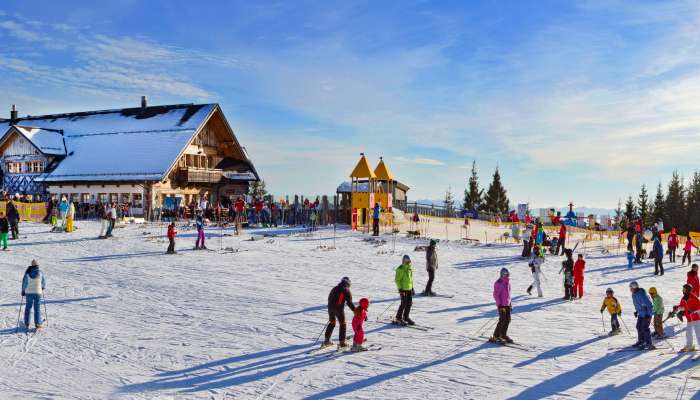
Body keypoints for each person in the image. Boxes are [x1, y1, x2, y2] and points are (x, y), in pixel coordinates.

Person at [323, 277, 355, 348]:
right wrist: (355, 310)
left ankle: (326, 340)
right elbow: (349, 303)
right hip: (338, 309)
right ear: (348, 283)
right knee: (343, 324)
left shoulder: (334, 288)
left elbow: (329, 298)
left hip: (330, 308)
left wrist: (331, 308)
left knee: (332, 323)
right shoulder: (346, 290)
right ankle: (342, 343)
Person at [21, 260, 46, 330]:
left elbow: (24, 283)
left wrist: (23, 290)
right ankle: (38, 324)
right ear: (38, 266)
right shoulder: (40, 273)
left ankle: (27, 323)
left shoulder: (27, 273)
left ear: (32, 265)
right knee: (37, 308)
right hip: (38, 292)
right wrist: (43, 287)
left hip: (29, 293)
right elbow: (44, 282)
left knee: (28, 307)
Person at [490, 268, 513, 344]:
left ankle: (503, 334)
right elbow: (496, 295)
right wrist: (500, 305)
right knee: (502, 320)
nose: (508, 276)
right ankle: (496, 336)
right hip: (501, 305)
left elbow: (508, 295)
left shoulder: (508, 283)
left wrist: (510, 303)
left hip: (507, 304)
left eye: (508, 274)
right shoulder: (498, 283)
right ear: (503, 274)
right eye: (507, 274)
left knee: (508, 320)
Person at [675, 283, 700, 352]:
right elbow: (682, 307)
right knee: (688, 333)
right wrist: (676, 308)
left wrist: (692, 311)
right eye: (683, 289)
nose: (683, 290)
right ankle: (690, 346)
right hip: (689, 318)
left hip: (696, 318)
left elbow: (699, 307)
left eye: (684, 289)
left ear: (688, 290)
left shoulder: (693, 297)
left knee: (698, 333)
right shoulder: (683, 298)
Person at [630, 281, 654, 350]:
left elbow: (650, 305)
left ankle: (649, 343)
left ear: (634, 287)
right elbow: (639, 305)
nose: (630, 289)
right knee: (638, 327)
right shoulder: (634, 295)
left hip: (646, 315)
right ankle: (641, 341)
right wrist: (637, 311)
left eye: (631, 288)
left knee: (645, 328)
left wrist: (649, 315)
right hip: (641, 314)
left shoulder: (642, 295)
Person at [394, 255, 414, 326]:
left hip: (409, 289)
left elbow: (410, 279)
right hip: (403, 289)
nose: (408, 263)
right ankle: (398, 317)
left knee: (409, 303)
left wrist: (412, 288)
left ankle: (406, 317)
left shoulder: (409, 268)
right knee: (403, 303)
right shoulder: (400, 269)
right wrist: (400, 289)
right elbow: (397, 280)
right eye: (407, 261)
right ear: (403, 261)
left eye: (409, 261)